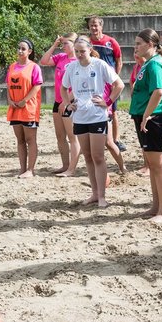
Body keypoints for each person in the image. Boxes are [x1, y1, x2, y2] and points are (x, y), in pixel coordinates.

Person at [62, 37, 124, 208]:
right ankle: (95, 194)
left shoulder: (99, 65)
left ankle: (102, 196)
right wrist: (68, 103)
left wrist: (108, 101)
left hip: (97, 115)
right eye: (77, 51)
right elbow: (62, 87)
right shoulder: (72, 67)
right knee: (87, 156)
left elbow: (119, 84)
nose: (80, 54)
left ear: (89, 49)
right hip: (80, 117)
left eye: (82, 51)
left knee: (98, 156)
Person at [130, 29, 162, 223]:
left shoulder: (155, 64)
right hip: (144, 116)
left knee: (158, 165)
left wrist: (146, 115)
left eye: (139, 43)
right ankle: (156, 207)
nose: (136, 47)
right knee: (153, 165)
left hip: (153, 117)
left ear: (151, 45)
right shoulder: (148, 63)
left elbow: (158, 92)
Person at [40, 34, 79, 177]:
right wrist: (55, 45)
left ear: (74, 44)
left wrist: (66, 101)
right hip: (58, 101)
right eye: (62, 44)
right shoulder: (61, 57)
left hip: (68, 101)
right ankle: (65, 165)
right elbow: (44, 61)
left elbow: (76, 86)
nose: (63, 46)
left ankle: (72, 168)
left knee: (72, 136)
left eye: (66, 43)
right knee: (60, 135)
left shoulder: (77, 61)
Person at [87, 16, 126, 155]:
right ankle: (96, 138)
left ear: (101, 26)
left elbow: (119, 60)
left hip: (109, 83)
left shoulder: (111, 42)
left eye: (96, 25)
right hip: (93, 82)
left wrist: (113, 78)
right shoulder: (87, 42)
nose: (93, 28)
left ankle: (115, 140)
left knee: (112, 111)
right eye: (91, 25)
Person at [6, 39, 43, 178]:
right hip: (15, 107)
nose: (20, 51)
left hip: (28, 108)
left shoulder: (34, 67)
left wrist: (24, 100)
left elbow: (37, 85)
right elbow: (8, 85)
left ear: (29, 51)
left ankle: (30, 170)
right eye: (19, 48)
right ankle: (22, 168)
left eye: (23, 48)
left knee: (30, 139)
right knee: (20, 140)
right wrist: (10, 100)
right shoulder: (12, 67)